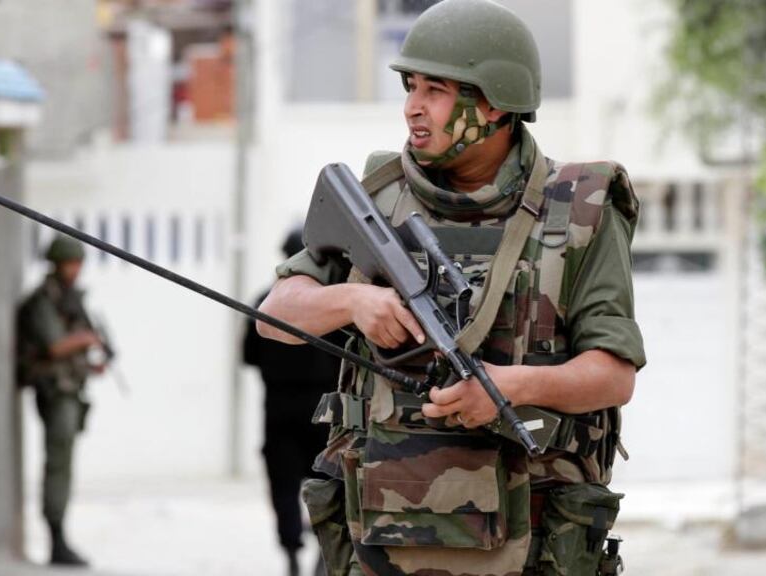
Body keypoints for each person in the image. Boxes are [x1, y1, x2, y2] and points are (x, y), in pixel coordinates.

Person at [257, 1, 645, 574]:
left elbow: (614, 375)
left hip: (530, 536)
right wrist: (354, 300)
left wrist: (505, 388)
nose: (413, 107)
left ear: (493, 102)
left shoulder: (580, 208)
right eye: (410, 86)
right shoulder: (380, 197)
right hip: (381, 532)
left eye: (434, 90)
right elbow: (275, 315)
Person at [244, 229, 344, 576]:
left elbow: (249, 356)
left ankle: (290, 551)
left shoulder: (264, 301)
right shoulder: (333, 303)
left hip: (279, 407)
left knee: (284, 486)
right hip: (323, 409)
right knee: (329, 482)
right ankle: (323, 551)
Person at [16, 236, 108, 567]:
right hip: (53, 391)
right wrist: (85, 339)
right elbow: (54, 346)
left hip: (70, 389)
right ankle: (56, 538)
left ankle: (59, 536)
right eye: (70, 262)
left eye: (78, 263)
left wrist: (92, 360)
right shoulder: (42, 300)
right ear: (56, 263)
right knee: (58, 463)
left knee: (64, 462)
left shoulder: (70, 299)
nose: (75, 269)